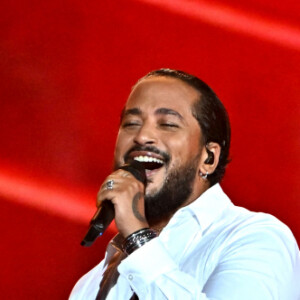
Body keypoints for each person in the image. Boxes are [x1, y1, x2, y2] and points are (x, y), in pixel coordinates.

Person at [70, 69, 300, 299]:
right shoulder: (88, 287)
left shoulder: (256, 239)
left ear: (208, 158)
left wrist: (137, 237)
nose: (142, 136)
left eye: (168, 124)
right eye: (131, 123)